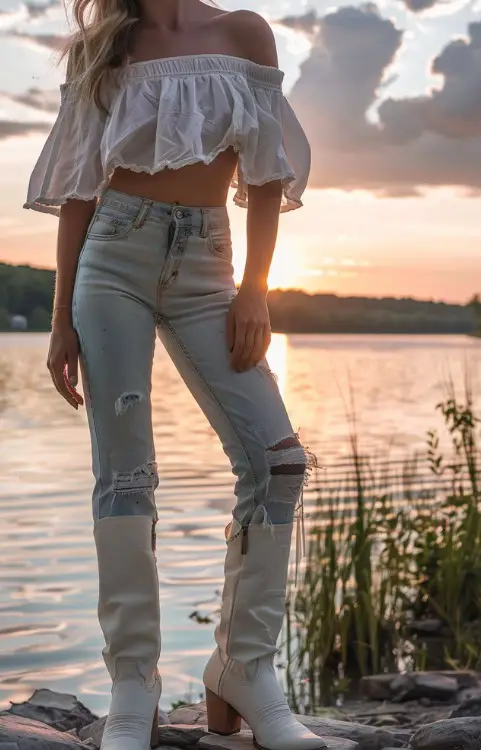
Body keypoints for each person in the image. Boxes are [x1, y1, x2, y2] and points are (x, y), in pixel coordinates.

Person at [24, 1, 325, 749]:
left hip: (209, 267)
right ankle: (135, 685)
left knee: (276, 461)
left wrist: (256, 286)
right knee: (125, 476)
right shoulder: (102, 48)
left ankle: (243, 670)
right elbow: (80, 192)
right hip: (112, 261)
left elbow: (264, 173)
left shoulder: (244, 34)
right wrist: (61, 317)